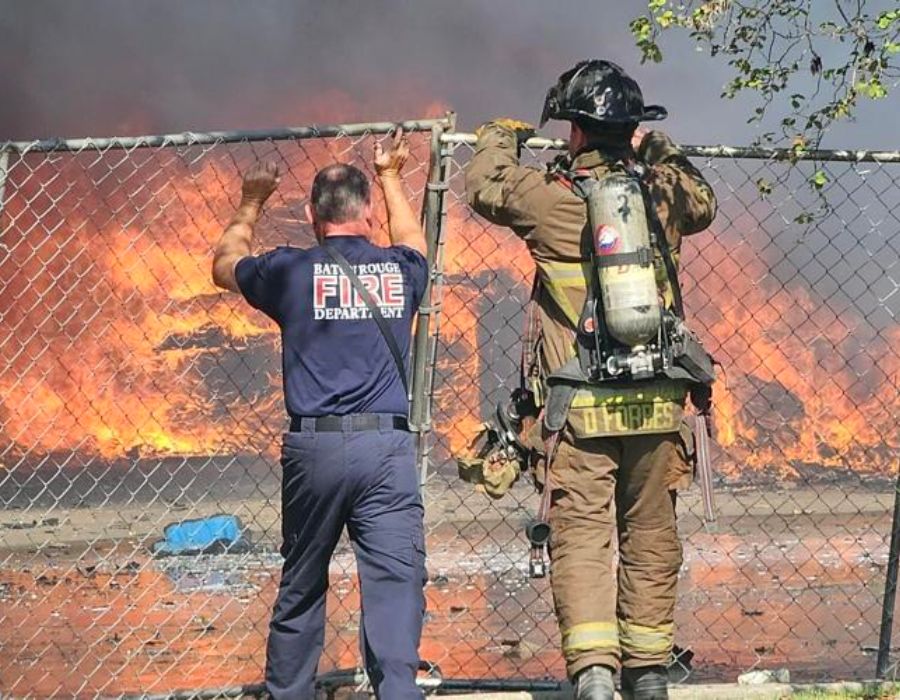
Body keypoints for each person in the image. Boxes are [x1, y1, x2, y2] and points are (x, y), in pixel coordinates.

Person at [465, 61, 717, 700]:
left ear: (575, 132)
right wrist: (659, 148)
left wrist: (501, 135)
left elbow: (484, 185)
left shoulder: (551, 200)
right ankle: (650, 674)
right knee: (653, 534)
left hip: (578, 405)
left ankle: (596, 678)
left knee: (580, 534)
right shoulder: (662, 197)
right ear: (631, 129)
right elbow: (702, 199)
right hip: (659, 403)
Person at [211, 129, 429, 700]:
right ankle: (399, 691)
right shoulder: (398, 271)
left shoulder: (287, 270)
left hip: (315, 449)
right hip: (387, 450)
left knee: (303, 584)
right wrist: (391, 177)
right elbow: (416, 241)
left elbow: (224, 263)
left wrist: (252, 201)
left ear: (310, 213)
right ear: (368, 217)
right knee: (395, 585)